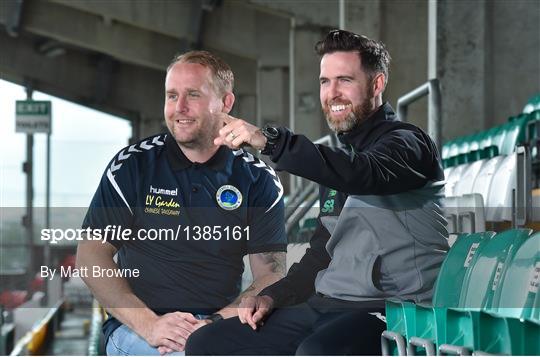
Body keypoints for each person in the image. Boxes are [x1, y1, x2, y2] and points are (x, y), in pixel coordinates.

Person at [185, 30, 448, 355]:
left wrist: (271, 141)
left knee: (315, 352)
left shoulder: (408, 144)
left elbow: (366, 175)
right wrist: (273, 296)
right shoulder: (339, 161)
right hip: (328, 305)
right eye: (325, 81)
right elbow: (322, 255)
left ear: (376, 85)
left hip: (391, 311)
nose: (332, 93)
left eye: (344, 80)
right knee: (207, 343)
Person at [77, 50, 287, 356]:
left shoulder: (258, 180)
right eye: (172, 95)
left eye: (193, 95)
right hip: (139, 329)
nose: (180, 107)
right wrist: (149, 324)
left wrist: (215, 323)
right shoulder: (133, 166)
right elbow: (90, 255)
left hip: (219, 324)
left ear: (226, 103)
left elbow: (270, 274)